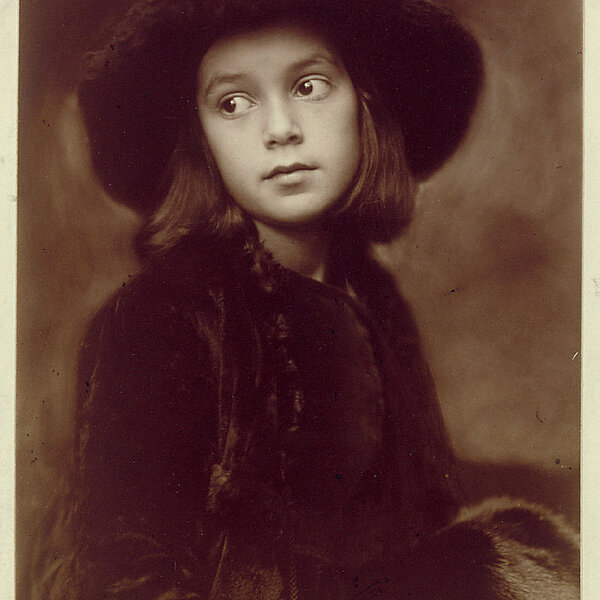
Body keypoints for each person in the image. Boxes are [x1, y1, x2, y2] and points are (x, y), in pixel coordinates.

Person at [40, 0, 578, 598]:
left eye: (309, 86)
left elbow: (420, 516)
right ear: (201, 141)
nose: (280, 129)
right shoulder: (161, 316)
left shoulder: (372, 295)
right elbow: (123, 581)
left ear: (365, 105)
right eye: (233, 103)